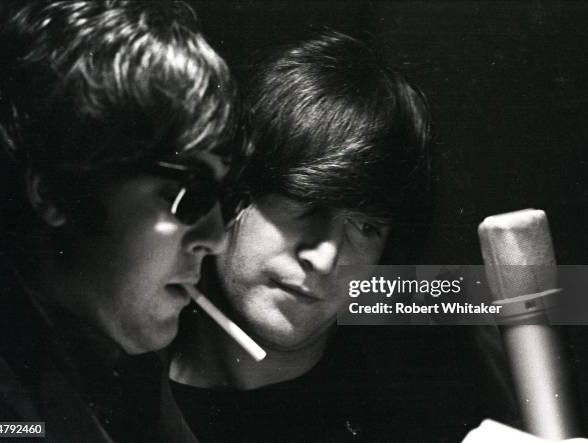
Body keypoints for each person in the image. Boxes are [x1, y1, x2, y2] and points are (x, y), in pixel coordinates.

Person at [167, 31, 514, 442]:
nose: (326, 256)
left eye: (366, 227)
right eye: (305, 201)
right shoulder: (119, 388)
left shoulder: (420, 407)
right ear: (234, 192)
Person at [0, 1, 243, 442]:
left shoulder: (115, 358)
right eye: (187, 193)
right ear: (55, 191)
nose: (215, 238)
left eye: (223, 196)